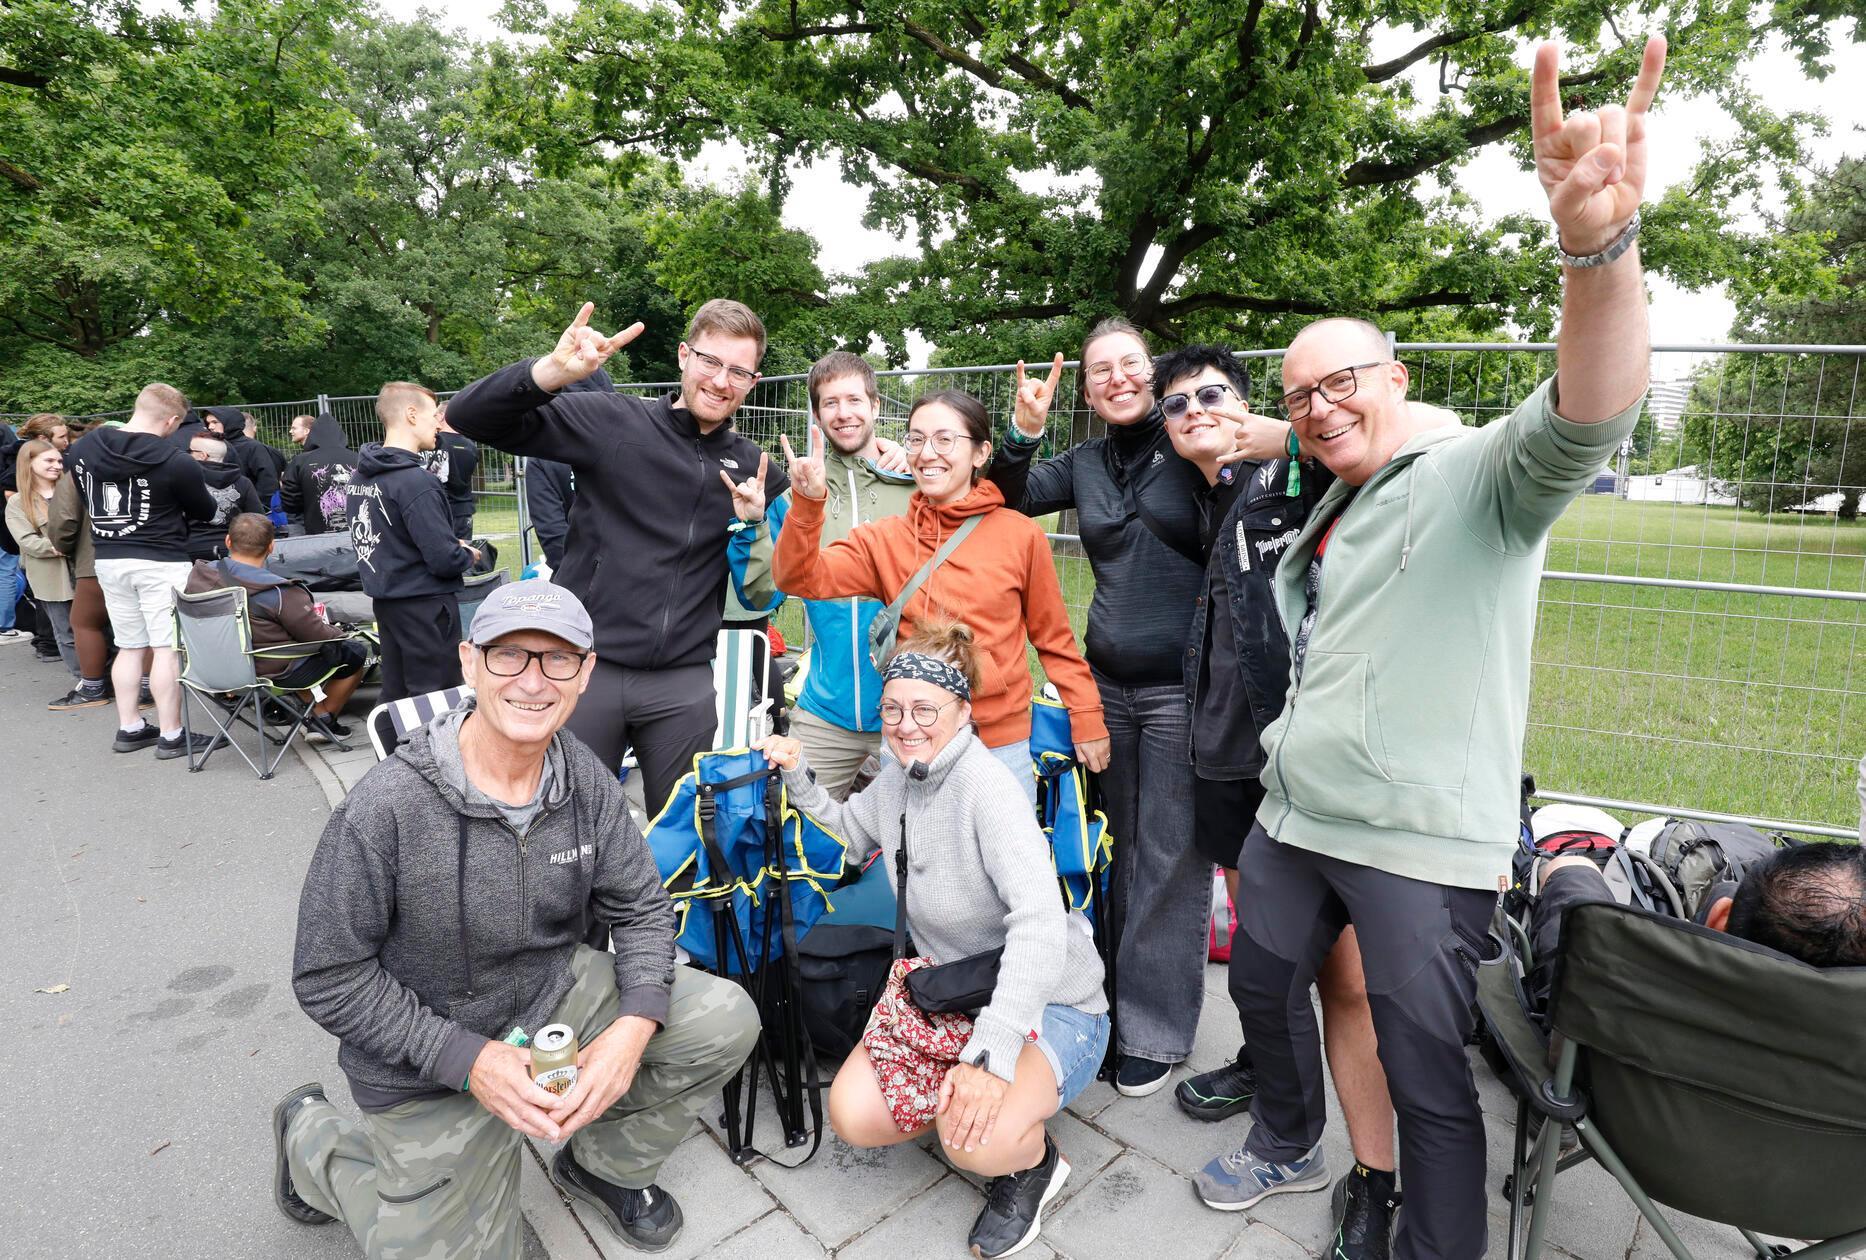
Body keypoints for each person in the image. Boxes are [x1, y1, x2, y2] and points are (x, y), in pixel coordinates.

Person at [1194, 40, 1667, 1260]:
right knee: (1260, 982)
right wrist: (1259, 431)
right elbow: (1288, 442)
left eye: (1342, 382)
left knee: (1429, 1072)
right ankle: (1323, 1147)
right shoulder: (1332, 493)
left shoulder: (1476, 479)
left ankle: (1431, 1235)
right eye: (1300, 397)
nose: (1320, 406)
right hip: (1296, 816)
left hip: (1416, 847)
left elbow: (1591, 412)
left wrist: (1596, 250)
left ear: (1395, 378)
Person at [276, 579, 759, 1257]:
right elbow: (328, 976)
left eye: (557, 659)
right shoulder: (385, 808)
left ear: (586, 673)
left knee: (725, 1017)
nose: (533, 681)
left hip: (551, 998)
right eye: (510, 656)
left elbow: (643, 905)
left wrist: (631, 1028)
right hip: (427, 1054)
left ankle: (603, 1165)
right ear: (470, 661)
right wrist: (468, 1061)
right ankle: (312, 1140)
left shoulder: (585, 778)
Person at [754, 621, 1109, 1259]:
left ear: (963, 712)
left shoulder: (988, 791)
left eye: (925, 709)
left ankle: (1034, 1162)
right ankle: (967, 1093)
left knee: (972, 1140)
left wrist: (990, 1057)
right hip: (953, 989)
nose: (906, 724)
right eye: (892, 708)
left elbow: (1038, 928)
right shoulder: (897, 777)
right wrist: (801, 774)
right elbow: (851, 832)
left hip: (1053, 1000)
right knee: (852, 1113)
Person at [1158, 345, 1405, 1253]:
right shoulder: (1204, 493)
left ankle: (1354, 1160)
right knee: (1266, 957)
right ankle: (1272, 1070)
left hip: (1292, 761)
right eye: (1175, 404)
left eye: (1212, 395)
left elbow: (1364, 447)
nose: (1193, 412)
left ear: (1254, 404)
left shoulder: (1299, 474)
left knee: (1339, 973)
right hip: (1223, 758)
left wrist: (1270, 434)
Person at [982, 320, 1217, 1098]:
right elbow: (1006, 499)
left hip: (1182, 690)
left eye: (1129, 365)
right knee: (1109, 849)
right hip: (1104, 688)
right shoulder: (1083, 463)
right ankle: (1104, 1001)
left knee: (1170, 855)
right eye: (1100, 371)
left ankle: (1156, 1026)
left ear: (1152, 374)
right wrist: (1021, 432)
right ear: (1085, 389)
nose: (1117, 379)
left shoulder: (1188, 441)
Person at [446, 300, 788, 814]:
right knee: (566, 820)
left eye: (738, 371)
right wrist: (551, 372)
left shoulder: (752, 468)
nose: (720, 381)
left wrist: (755, 522)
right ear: (683, 357)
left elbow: (765, 587)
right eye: (710, 362)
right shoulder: (612, 422)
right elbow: (468, 416)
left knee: (684, 830)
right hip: (589, 669)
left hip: (683, 680)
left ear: (752, 382)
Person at [767, 389, 1109, 806]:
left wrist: (1088, 719)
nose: (928, 453)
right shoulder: (886, 539)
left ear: (981, 452)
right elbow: (798, 578)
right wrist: (806, 504)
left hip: (997, 744)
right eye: (915, 439)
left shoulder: (1021, 536)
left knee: (1004, 864)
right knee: (910, 865)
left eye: (945, 440)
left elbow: (1054, 641)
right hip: (913, 744)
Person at [728, 351, 922, 798]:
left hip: (911, 706)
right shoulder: (798, 491)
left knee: (923, 843)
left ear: (876, 406)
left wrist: (915, 457)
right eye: (830, 403)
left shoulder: (917, 483)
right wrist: (753, 524)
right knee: (799, 833)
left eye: (854, 399)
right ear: (816, 414)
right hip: (826, 710)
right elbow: (762, 595)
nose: (843, 413)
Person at [66, 381, 224, 760]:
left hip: (107, 557)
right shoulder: (175, 460)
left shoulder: (82, 448)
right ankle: (171, 734)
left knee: (129, 645)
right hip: (160, 559)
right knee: (166, 649)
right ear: (171, 420)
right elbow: (205, 511)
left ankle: (130, 726)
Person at [1530, 842, 1866, 1017]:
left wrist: (1572, 869)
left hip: (1625, 1134)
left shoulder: (1627, 995)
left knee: (1571, 870)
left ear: (1720, 919)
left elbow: (1567, 1041)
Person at [346, 381, 479, 704]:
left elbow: (396, 537)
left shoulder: (361, 477)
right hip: (425, 607)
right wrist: (467, 554)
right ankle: (429, 757)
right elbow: (443, 558)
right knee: (433, 697)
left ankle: (394, 755)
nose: (438, 422)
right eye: (433, 414)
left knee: (397, 692)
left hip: (388, 602)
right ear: (410, 414)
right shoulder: (416, 481)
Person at [184, 513, 369, 742]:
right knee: (351, 652)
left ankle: (318, 713)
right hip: (265, 671)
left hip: (208, 668)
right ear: (271, 547)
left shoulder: (198, 576)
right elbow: (317, 635)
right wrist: (341, 633)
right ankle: (323, 722)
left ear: (228, 542)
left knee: (286, 644)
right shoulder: (279, 592)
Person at [7, 438, 80, 686]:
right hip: (49, 575)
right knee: (65, 631)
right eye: (49, 460)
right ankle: (85, 680)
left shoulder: (72, 491)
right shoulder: (18, 503)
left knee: (99, 627)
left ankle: (104, 676)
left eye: (60, 460)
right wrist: (60, 546)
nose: (57, 465)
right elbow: (27, 541)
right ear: (29, 463)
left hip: (83, 570)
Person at [44, 463, 116, 710]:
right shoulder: (155, 466)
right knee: (146, 627)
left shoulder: (79, 474)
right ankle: (147, 689)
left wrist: (63, 547)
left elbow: (64, 521)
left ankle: (93, 688)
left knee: (85, 624)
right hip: (153, 557)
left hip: (95, 558)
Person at [184, 434, 264, 561]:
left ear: (203, 455)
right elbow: (258, 520)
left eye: (189, 451)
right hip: (233, 550)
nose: (187, 455)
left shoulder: (184, 479)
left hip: (191, 550)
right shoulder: (243, 482)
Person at [279, 412, 361, 536]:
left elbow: (289, 501)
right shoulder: (358, 459)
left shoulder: (301, 461)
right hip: (357, 532)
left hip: (317, 535)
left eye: (294, 428)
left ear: (313, 435)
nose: (291, 431)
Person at [426, 403, 481, 540]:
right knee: (465, 554)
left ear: (442, 416)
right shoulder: (471, 445)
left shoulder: (435, 443)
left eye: (435, 415)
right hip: (464, 511)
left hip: (441, 511)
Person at [206, 406, 282, 503]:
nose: (210, 427)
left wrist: (255, 507)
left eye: (215, 422)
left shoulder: (253, 447)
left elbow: (268, 483)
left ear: (229, 422)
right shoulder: (212, 446)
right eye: (208, 423)